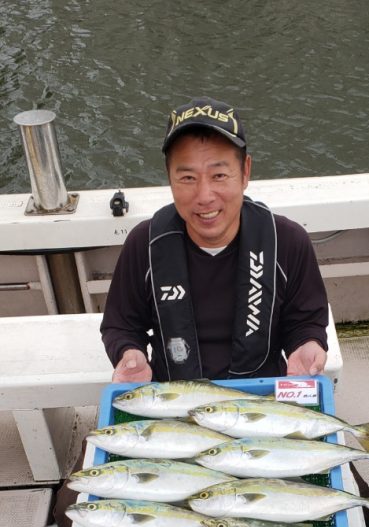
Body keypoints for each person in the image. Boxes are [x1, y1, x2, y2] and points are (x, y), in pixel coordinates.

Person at [100, 96, 329, 383]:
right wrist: (128, 353)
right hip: (176, 394)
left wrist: (308, 344)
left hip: (261, 394)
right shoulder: (144, 244)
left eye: (219, 175)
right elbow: (121, 325)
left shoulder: (286, 241)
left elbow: (305, 321)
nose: (205, 196)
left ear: (245, 172)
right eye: (188, 178)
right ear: (169, 178)